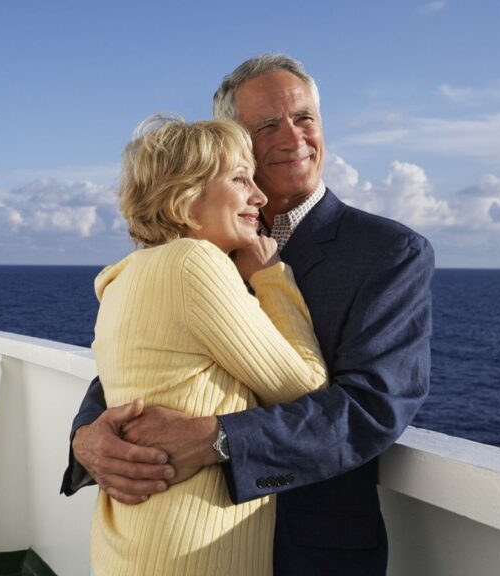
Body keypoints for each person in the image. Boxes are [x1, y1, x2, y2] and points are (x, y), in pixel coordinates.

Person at [62, 54, 434, 575]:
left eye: (305, 118)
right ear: (233, 140)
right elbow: (141, 361)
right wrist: (87, 437)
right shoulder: (201, 248)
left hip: (314, 550)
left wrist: (218, 439)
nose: (293, 137)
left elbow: (373, 406)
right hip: (192, 543)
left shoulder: (389, 251)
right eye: (267, 125)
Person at [88, 116, 327, 575]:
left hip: (135, 540)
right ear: (185, 195)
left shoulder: (124, 277)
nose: (259, 196)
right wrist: (270, 276)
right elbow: (307, 387)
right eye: (240, 179)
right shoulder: (193, 261)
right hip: (192, 550)